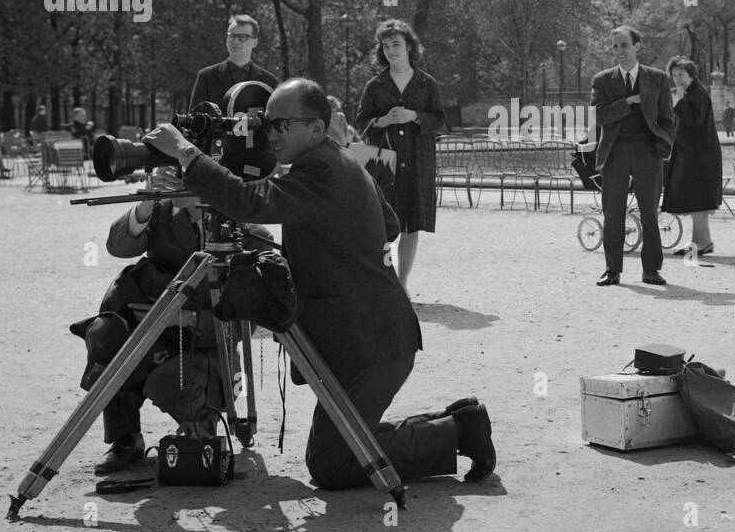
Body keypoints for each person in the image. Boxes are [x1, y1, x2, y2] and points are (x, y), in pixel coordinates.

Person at [145, 78, 496, 488]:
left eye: (281, 125)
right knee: (337, 452)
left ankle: (456, 432)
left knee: (332, 467)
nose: (269, 134)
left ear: (315, 128)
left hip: (373, 344)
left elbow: (249, 201)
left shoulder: (322, 169)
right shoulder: (338, 160)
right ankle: (457, 422)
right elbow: (390, 224)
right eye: (266, 123)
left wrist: (186, 153)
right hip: (374, 336)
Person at [75, 169, 226, 475]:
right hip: (156, 331)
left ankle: (201, 425)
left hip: (208, 342)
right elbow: (117, 246)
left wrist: (189, 318)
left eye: (185, 166)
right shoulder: (163, 211)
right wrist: (145, 202)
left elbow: (251, 312)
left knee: (167, 380)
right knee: (112, 340)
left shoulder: (237, 219)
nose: (176, 175)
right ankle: (125, 440)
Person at [355, 20, 446, 292]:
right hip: (385, 164)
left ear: (409, 47)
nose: (391, 50)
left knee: (411, 225)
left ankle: (402, 281)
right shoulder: (375, 85)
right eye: (386, 45)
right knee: (382, 222)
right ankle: (386, 279)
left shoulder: (426, 83)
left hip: (419, 161)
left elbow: (440, 120)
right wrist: (383, 121)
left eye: (396, 44)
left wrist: (414, 116)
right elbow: (361, 122)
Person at [590, 25, 676, 286]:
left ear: (637, 46)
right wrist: (628, 103)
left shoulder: (658, 78)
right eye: (615, 46)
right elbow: (600, 115)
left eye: (624, 45)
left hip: (647, 152)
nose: (619, 51)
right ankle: (612, 270)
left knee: (649, 212)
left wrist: (664, 144)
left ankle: (651, 270)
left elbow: (667, 119)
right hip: (614, 152)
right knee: (612, 213)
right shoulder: (602, 80)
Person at [662, 57, 722, 256]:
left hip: (699, 156)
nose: (677, 78)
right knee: (696, 198)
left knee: (697, 198)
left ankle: (702, 242)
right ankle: (701, 241)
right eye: (674, 75)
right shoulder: (692, 92)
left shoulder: (697, 94)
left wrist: (678, 101)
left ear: (691, 75)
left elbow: (694, 120)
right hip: (695, 154)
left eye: (681, 74)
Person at [189, 14, 280, 112]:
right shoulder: (206, 76)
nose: (235, 41)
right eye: (232, 36)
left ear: (255, 42)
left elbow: (274, 120)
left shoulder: (269, 82)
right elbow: (193, 120)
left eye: (243, 37)